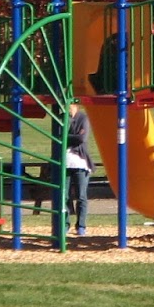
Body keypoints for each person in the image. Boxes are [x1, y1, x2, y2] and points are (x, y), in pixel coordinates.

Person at [64, 101, 92, 237]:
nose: (67, 108)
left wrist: (65, 137)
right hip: (65, 162)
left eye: (69, 105)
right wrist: (70, 138)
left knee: (81, 195)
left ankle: (81, 225)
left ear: (75, 105)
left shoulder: (83, 118)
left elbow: (82, 138)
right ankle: (65, 224)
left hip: (80, 162)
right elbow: (58, 136)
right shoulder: (63, 117)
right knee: (65, 196)